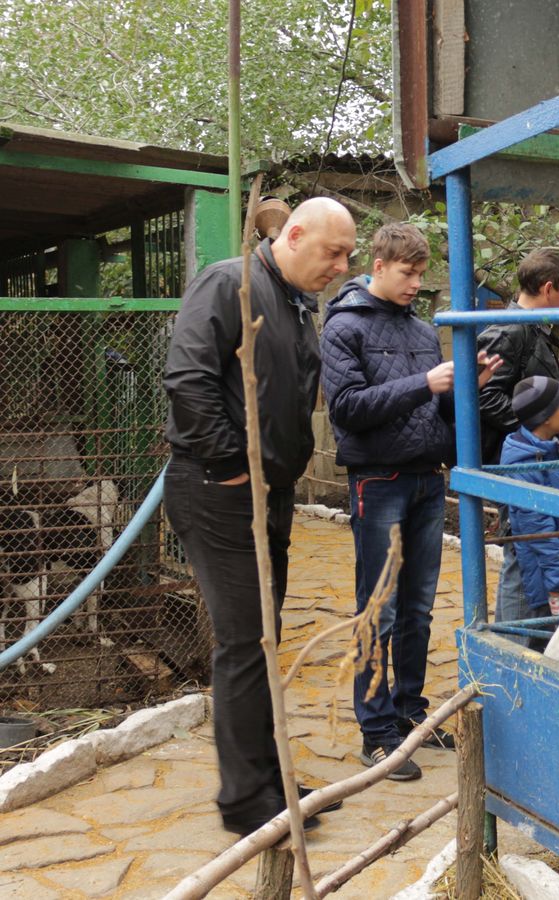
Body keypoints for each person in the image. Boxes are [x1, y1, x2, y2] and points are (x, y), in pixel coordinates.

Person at [163, 196, 357, 836]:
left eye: (348, 254)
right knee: (246, 641)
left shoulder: (298, 303)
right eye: (333, 252)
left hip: (266, 493)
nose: (342, 265)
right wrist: (230, 465)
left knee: (266, 640)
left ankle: (269, 777)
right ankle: (246, 801)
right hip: (219, 491)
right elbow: (187, 378)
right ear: (294, 235)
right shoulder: (230, 284)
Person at [320, 223, 501, 781]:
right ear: (378, 264)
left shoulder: (423, 330)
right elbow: (347, 408)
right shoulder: (342, 325)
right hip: (378, 482)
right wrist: (427, 382)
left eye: (422, 274)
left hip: (427, 478)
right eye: (407, 273)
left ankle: (410, 716)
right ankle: (376, 734)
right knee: (380, 609)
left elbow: (436, 411)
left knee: (419, 610)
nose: (416, 284)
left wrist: (469, 384)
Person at [476, 250, 559, 631]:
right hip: (518, 462)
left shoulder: (533, 330)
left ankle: (527, 645)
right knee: (522, 549)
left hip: (532, 458)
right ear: (548, 289)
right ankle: (510, 648)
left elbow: (531, 391)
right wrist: (533, 429)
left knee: (530, 548)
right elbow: (484, 394)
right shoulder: (510, 330)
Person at [500, 376, 559, 626]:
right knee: (525, 635)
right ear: (546, 417)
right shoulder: (525, 462)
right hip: (541, 569)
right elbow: (538, 529)